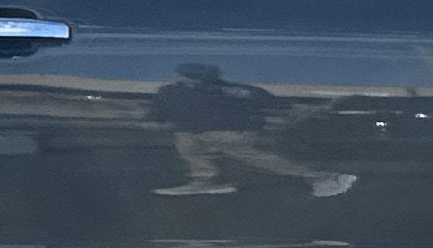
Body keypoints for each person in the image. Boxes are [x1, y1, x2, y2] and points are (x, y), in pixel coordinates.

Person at [147, 62, 357, 199]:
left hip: (226, 134)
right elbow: (266, 101)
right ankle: (205, 179)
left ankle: (322, 176)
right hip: (202, 133)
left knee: (256, 158)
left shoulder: (172, 92)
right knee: (191, 147)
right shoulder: (231, 90)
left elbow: (157, 115)